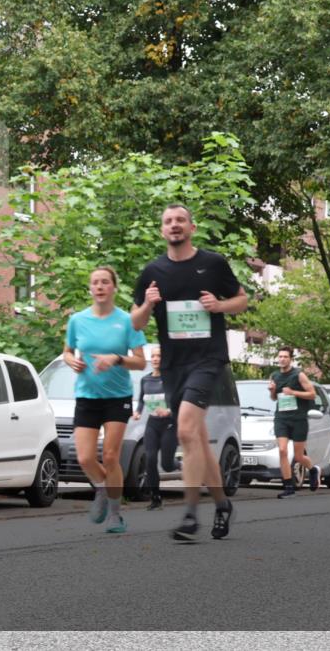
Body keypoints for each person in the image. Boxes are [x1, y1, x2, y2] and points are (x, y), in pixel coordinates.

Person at [132, 203, 248, 542]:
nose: (174, 225)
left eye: (180, 220)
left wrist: (220, 305)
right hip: (172, 364)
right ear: (162, 230)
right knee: (196, 437)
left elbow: (241, 300)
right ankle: (222, 504)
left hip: (208, 360)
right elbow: (135, 322)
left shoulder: (212, 263)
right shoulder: (153, 271)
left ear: (191, 228)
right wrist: (148, 304)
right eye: (168, 221)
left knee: (185, 428)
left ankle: (190, 513)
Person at [64, 266, 147, 534]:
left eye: (104, 282)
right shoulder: (77, 320)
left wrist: (116, 358)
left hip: (117, 397)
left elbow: (140, 362)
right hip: (87, 396)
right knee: (85, 458)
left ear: (114, 287)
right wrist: (71, 361)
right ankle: (102, 488)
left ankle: (115, 515)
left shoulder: (126, 321)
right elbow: (67, 351)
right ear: (90, 288)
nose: (99, 286)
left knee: (111, 456)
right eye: (95, 283)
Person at [268, 347, 320, 498]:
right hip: (281, 418)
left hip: (298, 419)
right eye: (280, 356)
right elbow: (274, 398)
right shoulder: (274, 375)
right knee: (282, 451)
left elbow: (312, 394)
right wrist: (272, 390)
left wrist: (293, 392)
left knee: (298, 456)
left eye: (285, 356)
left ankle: (313, 470)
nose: (282, 359)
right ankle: (289, 487)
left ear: (291, 359)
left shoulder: (299, 375)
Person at [133, 346, 178, 510]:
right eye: (153, 356)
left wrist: (168, 411)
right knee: (150, 459)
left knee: (167, 465)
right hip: (152, 424)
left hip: (169, 424)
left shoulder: (171, 379)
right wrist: (138, 412)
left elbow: (179, 402)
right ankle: (155, 497)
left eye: (159, 356)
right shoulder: (145, 380)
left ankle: (180, 465)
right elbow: (141, 400)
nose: (155, 359)